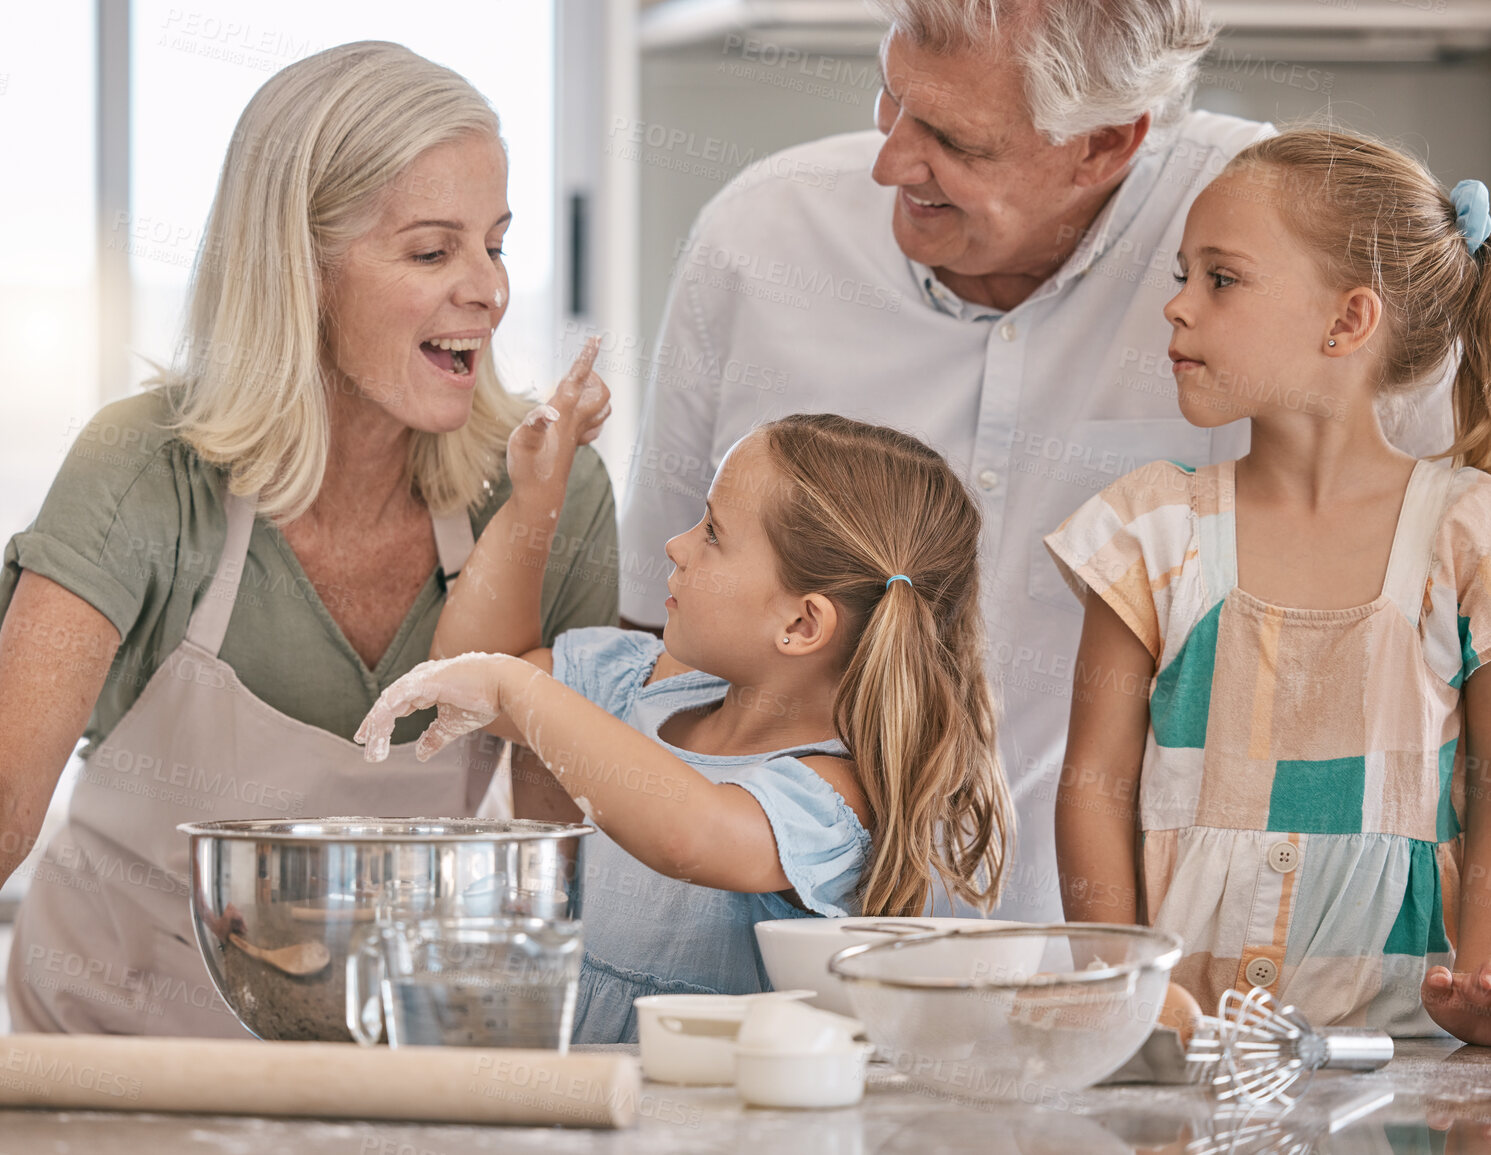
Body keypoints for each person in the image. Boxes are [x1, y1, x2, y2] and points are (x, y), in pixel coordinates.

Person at [0, 41, 616, 1060]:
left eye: (498, 244)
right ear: (300, 269)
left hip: (379, 1072)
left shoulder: (538, 494)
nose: (489, 291)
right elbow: (1, 778)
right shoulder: (144, 470)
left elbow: (554, 843)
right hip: (108, 1053)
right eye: (433, 252)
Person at [612, 0, 1452, 922]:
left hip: (1147, 969)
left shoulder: (1283, 237)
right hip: (779, 956)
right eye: (889, 100)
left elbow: (1429, 596)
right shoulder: (757, 239)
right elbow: (652, 634)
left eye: (954, 141)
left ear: (1105, 143)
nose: (889, 160)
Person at [355, 404, 1013, 1043]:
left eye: (712, 534)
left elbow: (690, 835)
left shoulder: (835, 796)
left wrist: (515, 681)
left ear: (800, 624)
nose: (676, 545)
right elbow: (469, 672)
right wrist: (534, 502)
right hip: (586, 1087)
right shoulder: (640, 685)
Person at [1047, 129, 1491, 1037]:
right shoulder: (1149, 529)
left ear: (1347, 320)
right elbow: (1093, 781)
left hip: (1410, 1039)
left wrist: (1482, 973)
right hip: (1188, 1045)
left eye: (1219, 278)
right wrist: (1122, 990)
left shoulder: (1467, 535)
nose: (1174, 307)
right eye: (1181, 273)